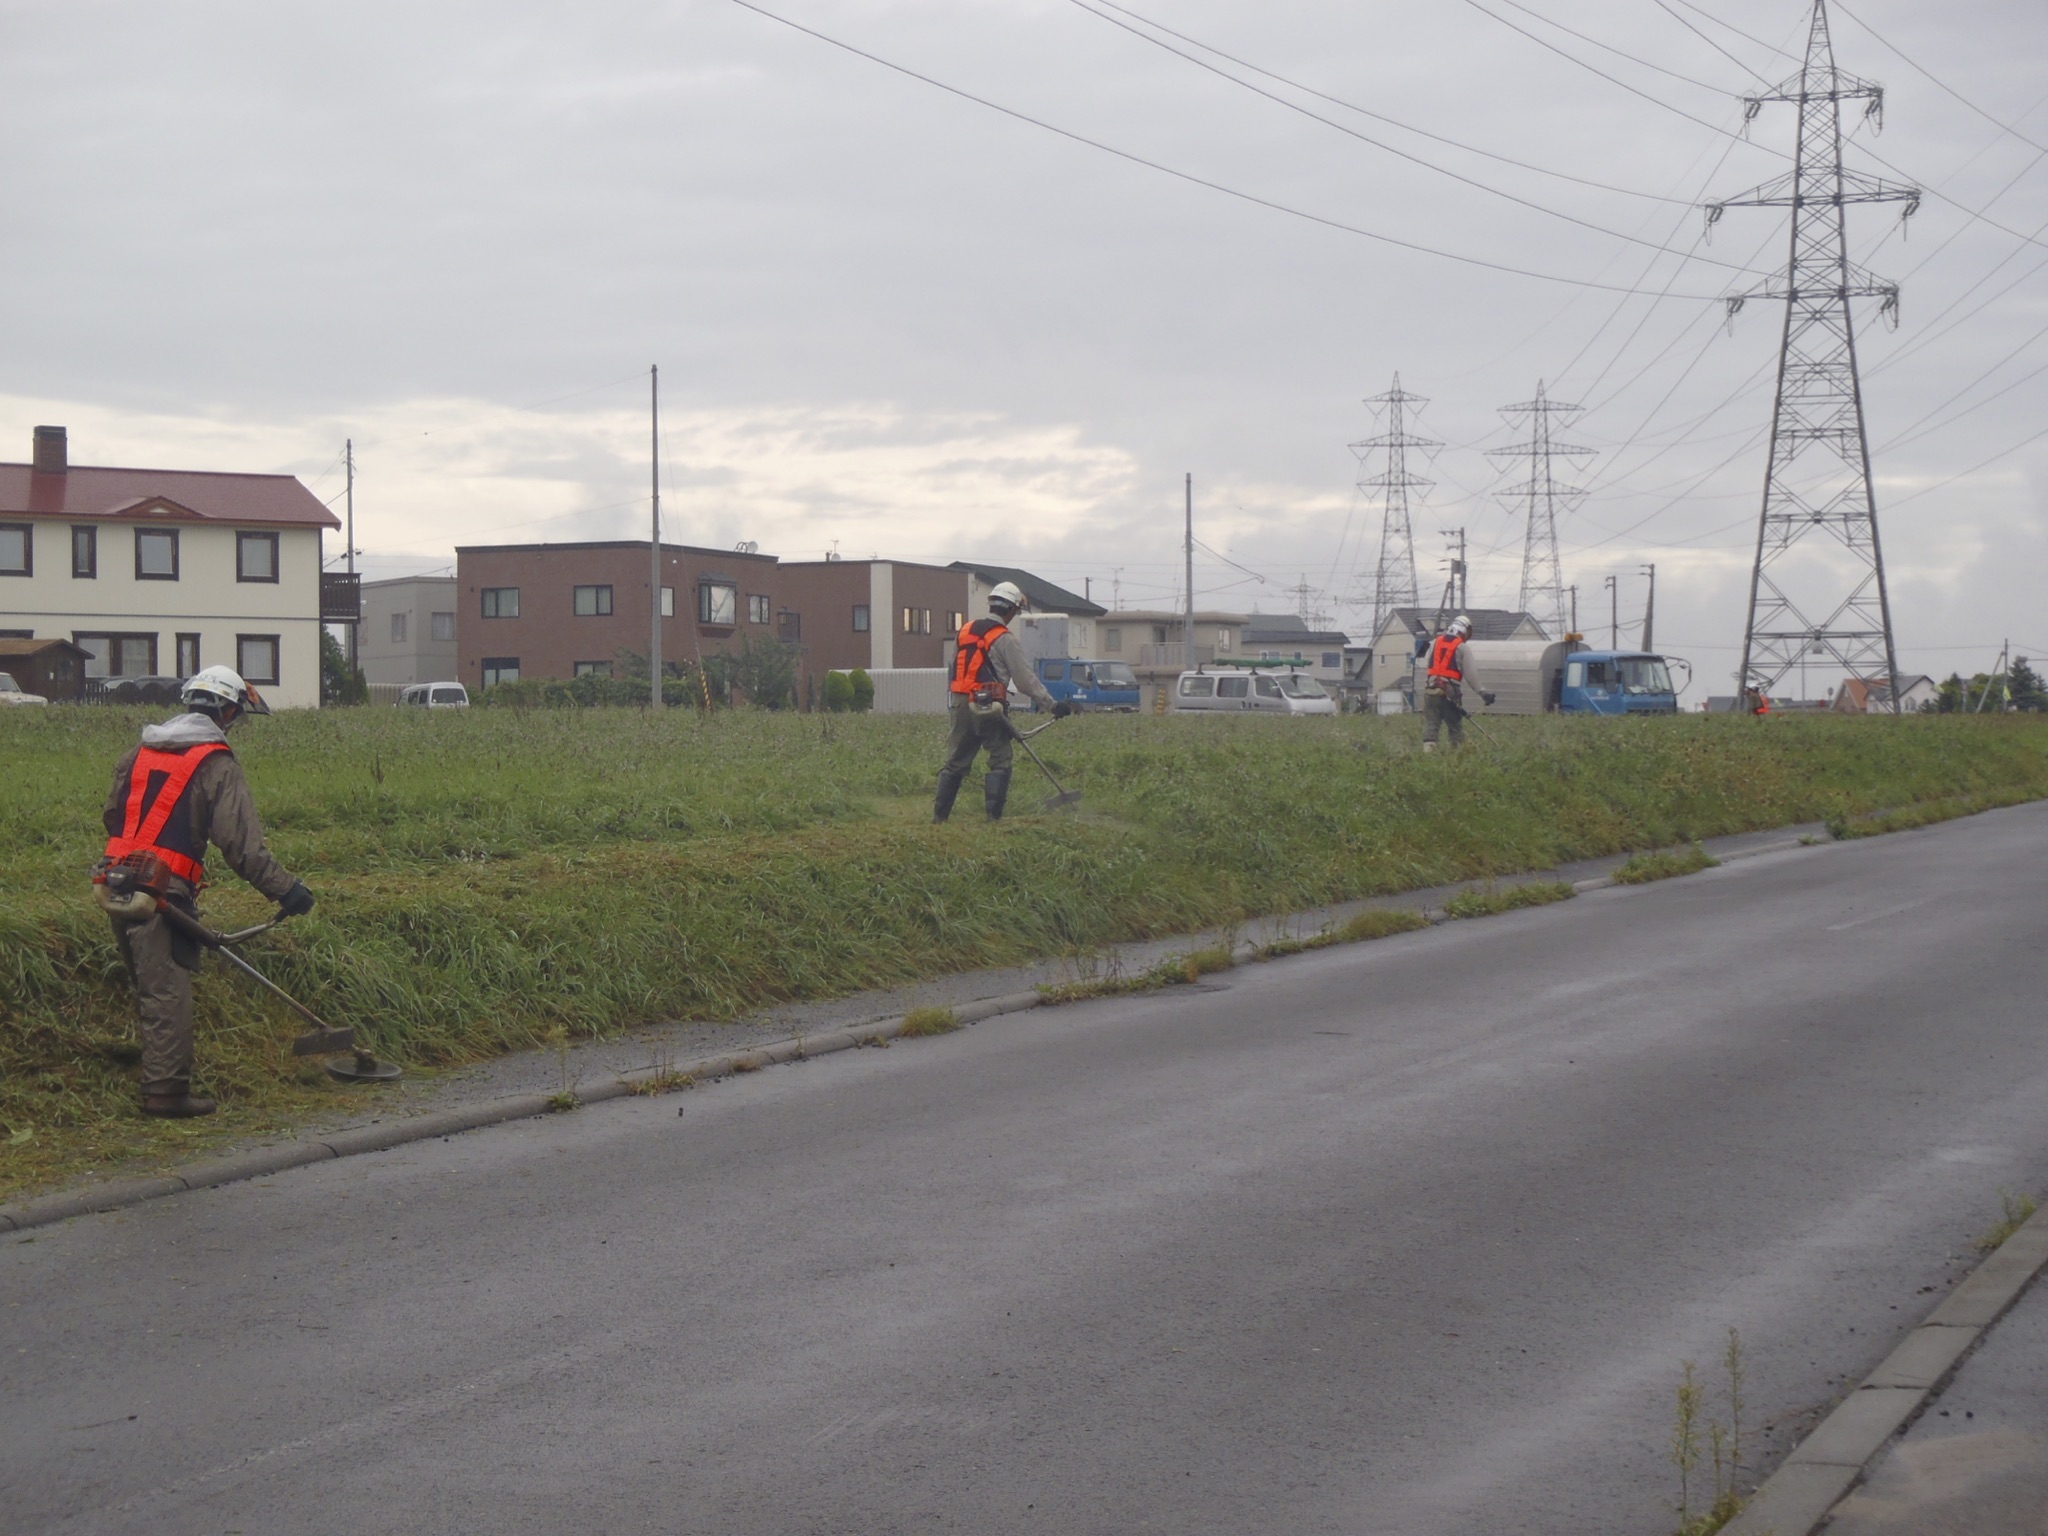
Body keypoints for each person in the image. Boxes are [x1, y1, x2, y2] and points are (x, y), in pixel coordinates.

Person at [97, 665, 314, 1118]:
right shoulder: (216, 763)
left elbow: (113, 815)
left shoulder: (140, 751)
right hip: (161, 893)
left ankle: (153, 1073)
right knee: (166, 994)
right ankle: (166, 1094)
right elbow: (243, 848)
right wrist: (287, 890)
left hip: (116, 884)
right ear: (228, 712)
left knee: (147, 987)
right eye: (237, 716)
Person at [934, 581, 1071, 822]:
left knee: (955, 761)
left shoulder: (965, 631)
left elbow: (954, 667)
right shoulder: (1004, 639)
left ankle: (939, 818)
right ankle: (993, 819)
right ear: (1010, 609)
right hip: (988, 706)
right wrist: (1053, 705)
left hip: (959, 702)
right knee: (1000, 758)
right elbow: (1025, 680)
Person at [1422, 614, 1477, 751]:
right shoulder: (1462, 647)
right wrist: (1484, 694)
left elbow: (1426, 665)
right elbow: (1471, 676)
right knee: (1455, 728)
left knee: (1431, 726)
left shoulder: (1434, 642)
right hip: (1450, 691)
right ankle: (1457, 756)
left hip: (1431, 689)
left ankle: (1428, 756)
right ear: (1465, 630)